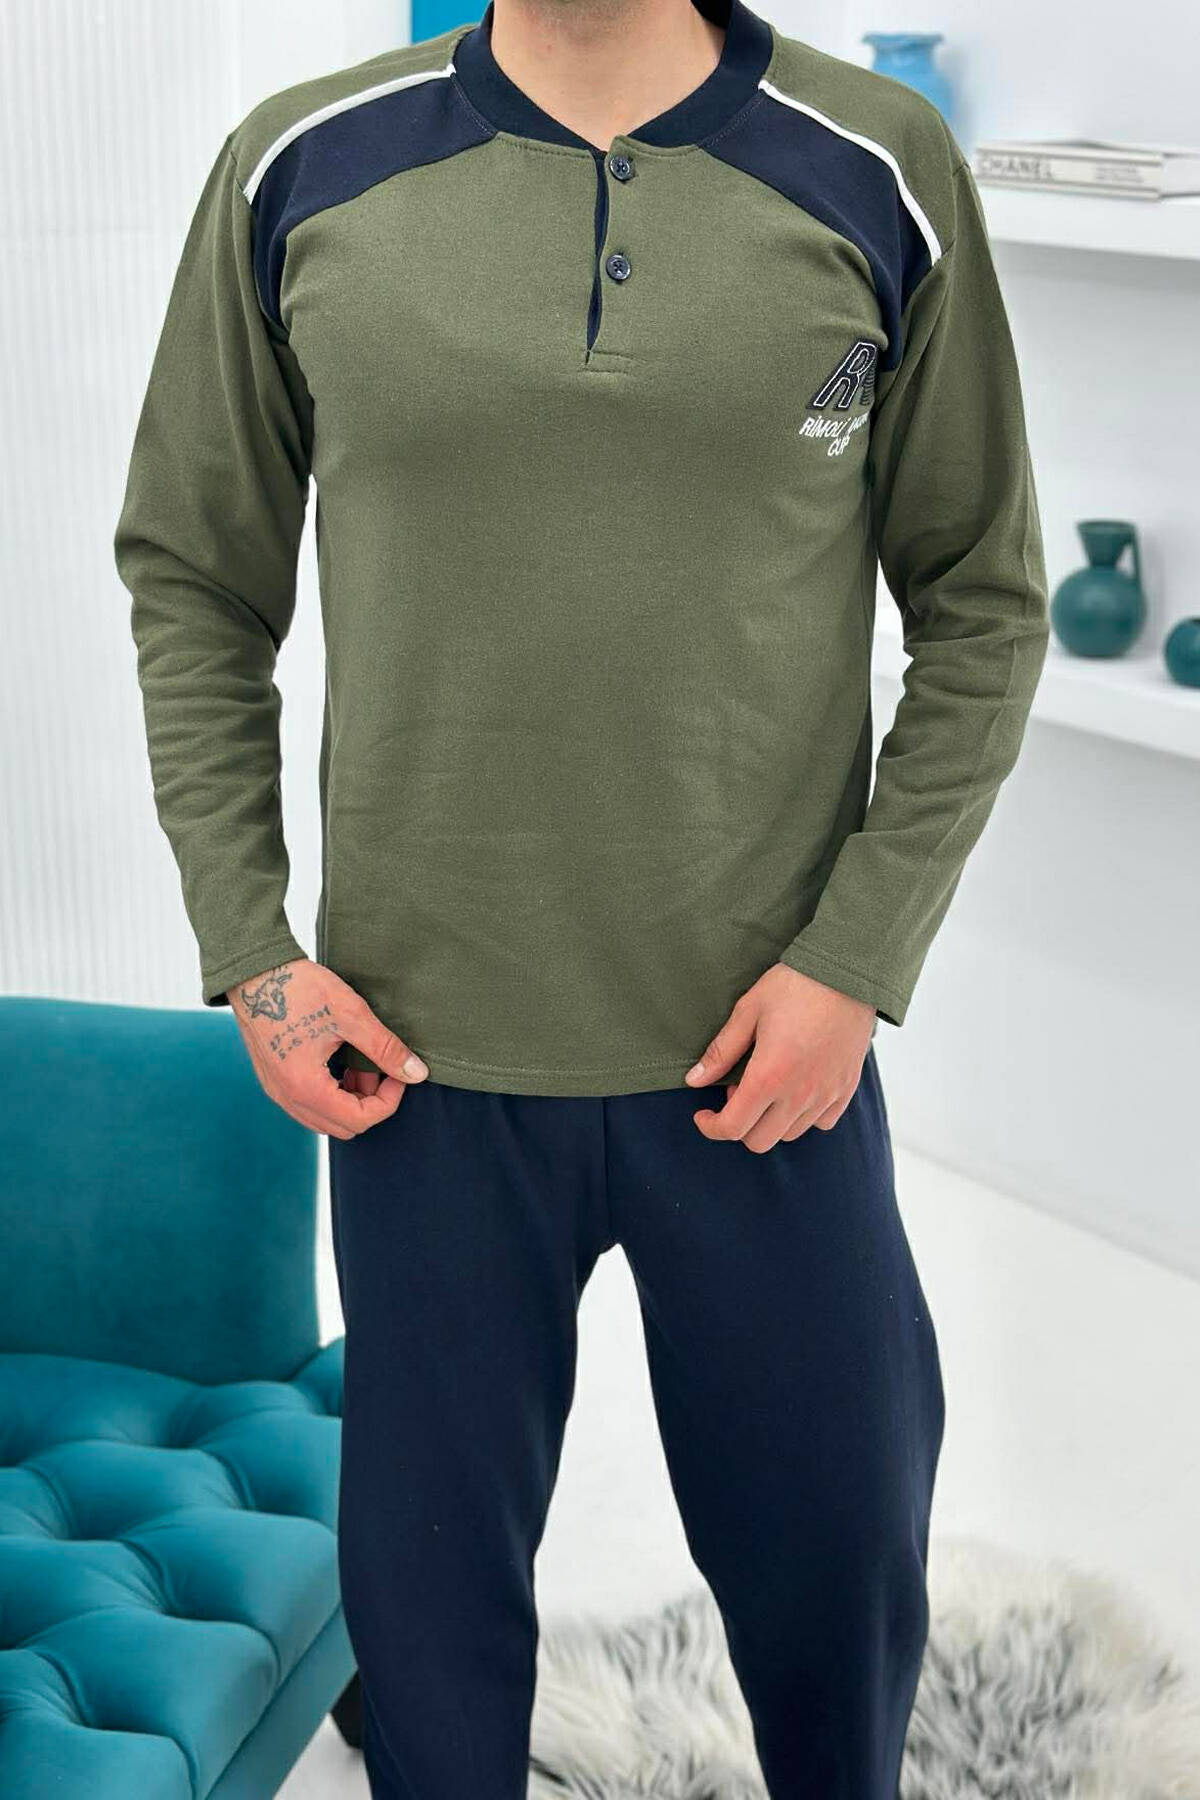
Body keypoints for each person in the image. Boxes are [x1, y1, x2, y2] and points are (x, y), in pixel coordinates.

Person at [113, 0, 1049, 1791]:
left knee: (845, 1582)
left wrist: (856, 961)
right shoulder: (299, 166)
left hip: (767, 1062)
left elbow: (986, 601)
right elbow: (193, 580)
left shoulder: (876, 165)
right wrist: (253, 952)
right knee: (432, 1646)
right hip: (419, 1074)